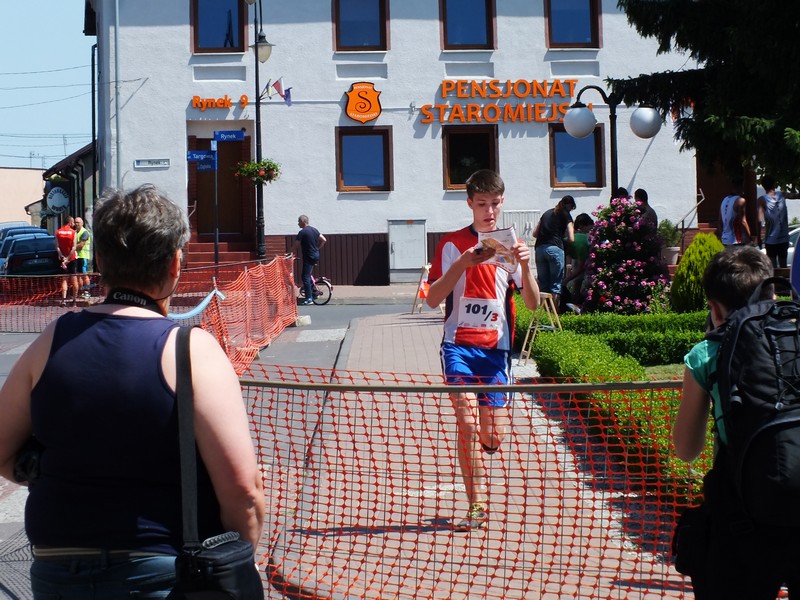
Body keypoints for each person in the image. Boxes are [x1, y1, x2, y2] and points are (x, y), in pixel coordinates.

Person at [0, 184, 264, 598]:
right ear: (176, 263)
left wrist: (38, 469)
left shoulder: (55, 339)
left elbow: (2, 449)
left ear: (100, 260)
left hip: (58, 568)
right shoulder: (189, 350)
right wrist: (237, 565)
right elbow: (243, 489)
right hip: (163, 570)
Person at [673, 246, 800, 598]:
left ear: (714, 308)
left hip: (741, 520)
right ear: (772, 294)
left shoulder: (706, 355)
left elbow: (686, 450)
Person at [425, 169, 540, 531]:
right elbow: (431, 300)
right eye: (481, 204)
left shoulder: (511, 246)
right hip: (458, 346)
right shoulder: (452, 244)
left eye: (494, 204)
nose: (488, 211)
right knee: (467, 426)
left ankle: (489, 442)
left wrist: (525, 263)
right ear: (470, 204)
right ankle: (477, 506)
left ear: (501, 202)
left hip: (496, 351)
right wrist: (461, 263)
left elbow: (534, 304)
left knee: (492, 436)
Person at [533, 194, 576, 303]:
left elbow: (534, 233)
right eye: (572, 208)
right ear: (569, 205)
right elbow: (571, 238)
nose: (571, 210)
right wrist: (564, 241)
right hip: (555, 248)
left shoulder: (546, 213)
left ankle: (543, 314)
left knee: (543, 284)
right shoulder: (566, 214)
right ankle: (554, 313)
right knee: (555, 284)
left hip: (539, 249)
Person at [757, 174, 794, 268]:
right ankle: (783, 283)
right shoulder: (782, 195)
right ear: (774, 184)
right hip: (783, 238)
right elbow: (796, 195)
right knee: (783, 266)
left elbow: (759, 220)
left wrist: (758, 238)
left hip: (771, 239)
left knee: (772, 268)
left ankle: (774, 282)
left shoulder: (761, 200)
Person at [561, 212, 594, 313]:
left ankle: (573, 306)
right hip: (583, 263)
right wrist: (566, 279)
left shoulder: (576, 239)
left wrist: (567, 278)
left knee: (577, 284)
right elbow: (580, 267)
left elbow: (574, 263)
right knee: (578, 283)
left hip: (581, 262)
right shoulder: (582, 241)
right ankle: (576, 307)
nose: (590, 231)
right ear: (581, 226)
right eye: (589, 228)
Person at [293, 214, 327, 306]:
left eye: (299, 222)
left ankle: (309, 298)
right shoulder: (314, 230)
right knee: (308, 275)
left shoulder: (302, 232)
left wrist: (290, 253)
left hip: (309, 256)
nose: (298, 224)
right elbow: (324, 239)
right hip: (315, 255)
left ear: (303, 222)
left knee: (305, 276)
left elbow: (296, 245)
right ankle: (313, 292)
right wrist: (317, 248)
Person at [54, 215, 79, 307]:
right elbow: (74, 247)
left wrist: (62, 257)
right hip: (71, 258)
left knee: (64, 279)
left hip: (62, 259)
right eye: (73, 222)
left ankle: (63, 300)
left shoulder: (58, 232)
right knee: (74, 279)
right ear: (70, 222)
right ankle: (75, 301)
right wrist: (68, 258)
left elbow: (57, 246)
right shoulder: (73, 232)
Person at [720, 180, 750, 246]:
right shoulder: (740, 200)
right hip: (736, 240)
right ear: (740, 187)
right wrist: (749, 237)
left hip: (725, 239)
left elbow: (720, 221)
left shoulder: (724, 200)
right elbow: (743, 221)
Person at [74, 216, 92, 296]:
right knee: (79, 276)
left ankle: (86, 291)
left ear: (82, 223)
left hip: (83, 256)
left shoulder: (84, 232)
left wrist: (72, 248)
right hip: (77, 256)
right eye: (75, 222)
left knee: (84, 275)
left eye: (78, 222)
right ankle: (81, 292)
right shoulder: (75, 232)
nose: (76, 224)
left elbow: (81, 245)